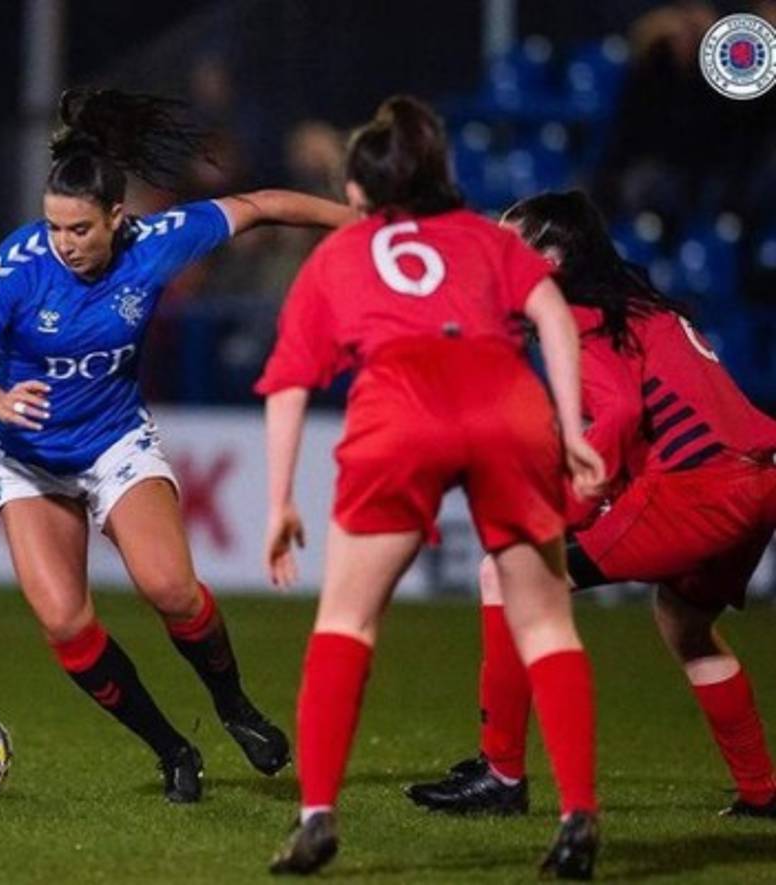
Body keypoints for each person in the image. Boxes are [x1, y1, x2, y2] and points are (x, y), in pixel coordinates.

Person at [0, 88, 353, 804]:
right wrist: (0, 402)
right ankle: (172, 748)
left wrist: (365, 226)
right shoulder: (18, 265)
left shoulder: (158, 243)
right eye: (53, 226)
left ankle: (233, 706)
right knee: (65, 621)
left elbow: (261, 206)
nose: (63, 243)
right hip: (28, 459)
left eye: (79, 228)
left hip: (114, 443)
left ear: (116, 217)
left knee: (172, 590)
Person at [257, 97, 607, 878]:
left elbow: (288, 383)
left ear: (357, 192)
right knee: (546, 624)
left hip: (401, 406)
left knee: (346, 621)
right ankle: (578, 811)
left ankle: (317, 816)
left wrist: (280, 499)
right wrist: (572, 426)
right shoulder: (486, 236)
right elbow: (553, 313)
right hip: (505, 402)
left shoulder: (340, 255)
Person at [405, 190, 776, 820]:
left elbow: (621, 413)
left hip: (702, 489)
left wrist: (572, 507)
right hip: (758, 482)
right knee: (685, 622)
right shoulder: (633, 304)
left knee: (506, 573)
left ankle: (501, 774)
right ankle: (762, 792)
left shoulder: (576, 312)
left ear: (550, 258)